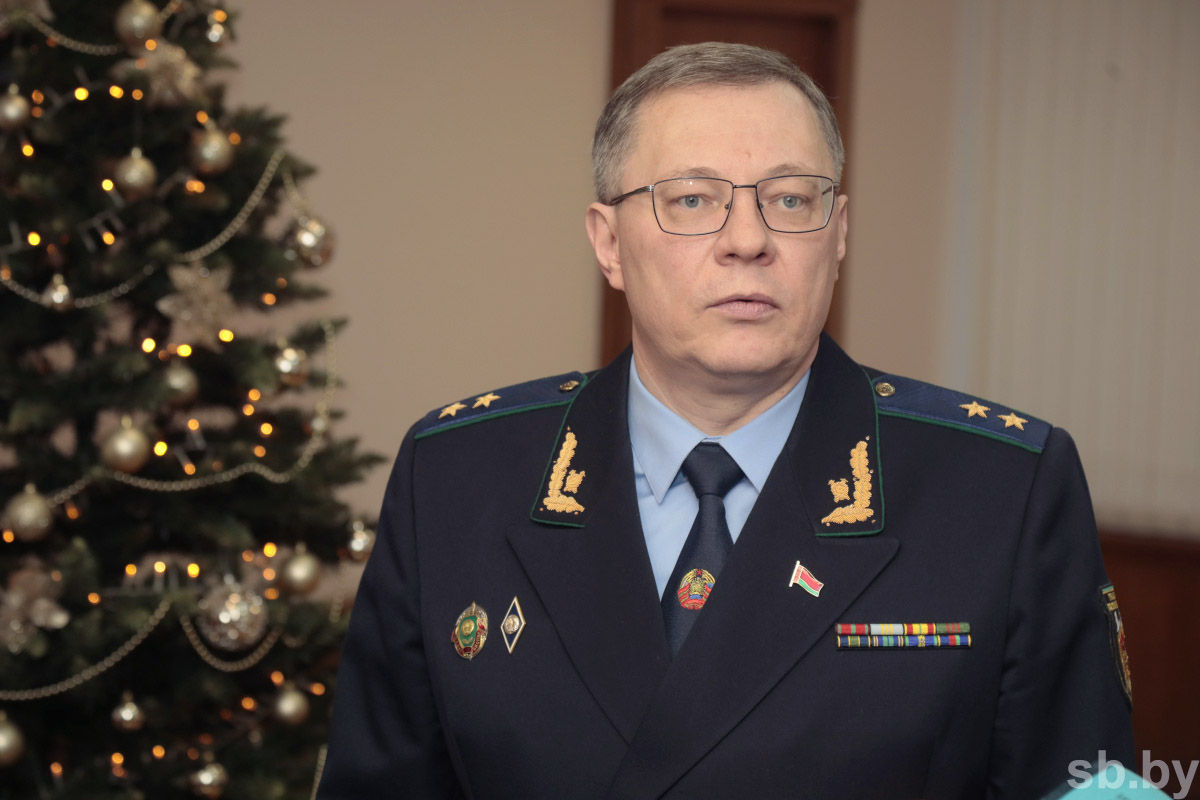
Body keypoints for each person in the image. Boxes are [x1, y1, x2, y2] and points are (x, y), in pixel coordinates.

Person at [317, 42, 1134, 799]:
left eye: (791, 198)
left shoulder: (1003, 490)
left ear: (838, 235)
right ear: (608, 243)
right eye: (691, 199)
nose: (748, 240)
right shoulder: (456, 477)